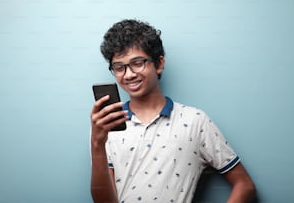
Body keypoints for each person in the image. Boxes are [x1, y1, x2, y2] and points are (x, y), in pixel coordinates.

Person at [90, 19, 256, 203]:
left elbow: (245, 185)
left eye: (137, 63)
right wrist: (97, 143)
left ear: (159, 63)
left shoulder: (195, 121)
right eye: (119, 67)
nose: (128, 74)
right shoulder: (107, 127)